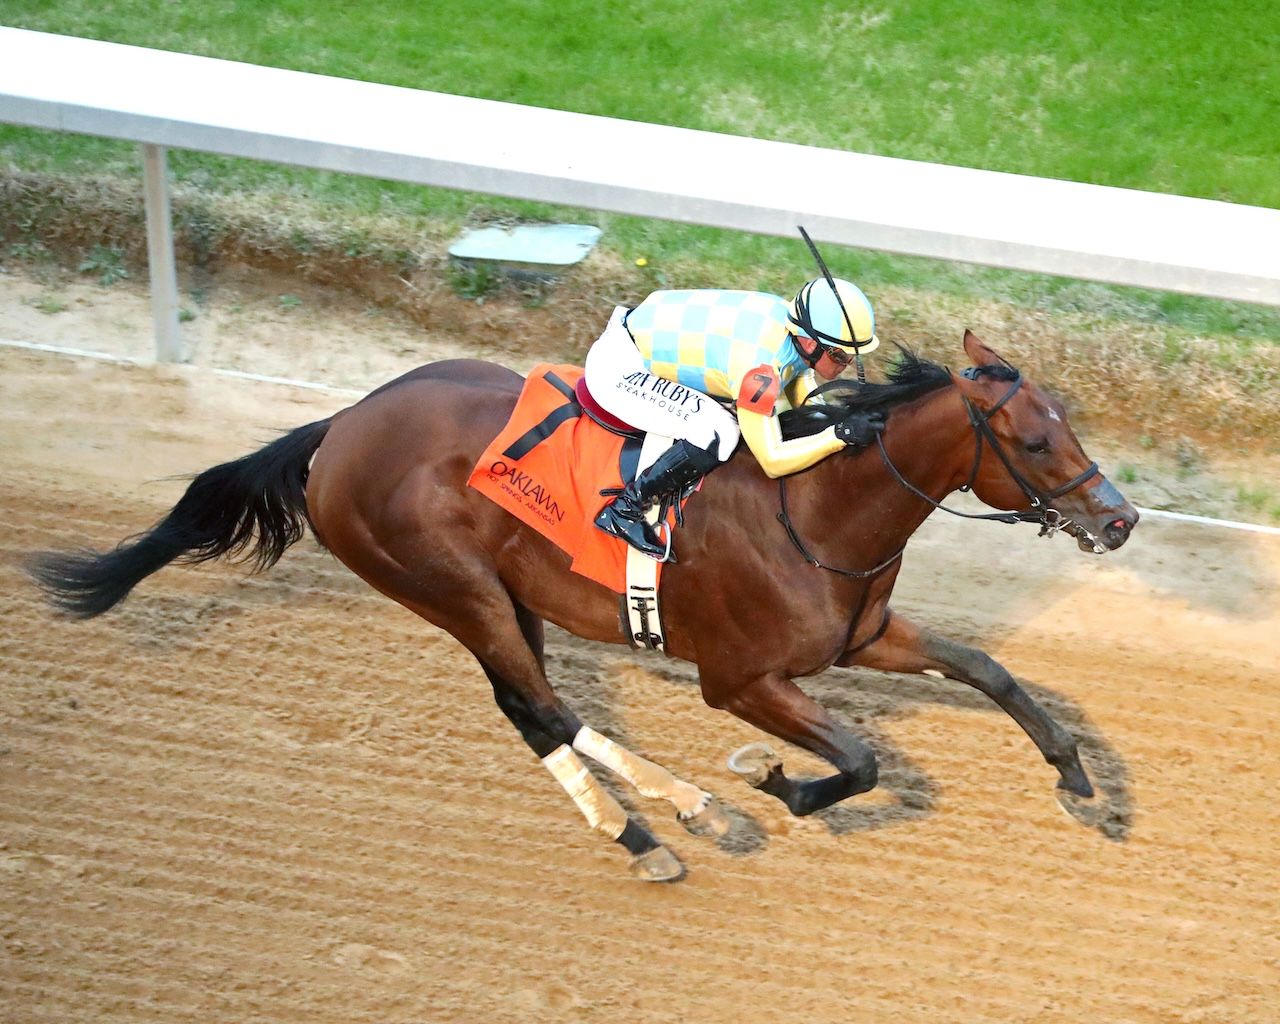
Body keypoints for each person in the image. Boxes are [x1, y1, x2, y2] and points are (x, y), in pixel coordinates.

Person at [584, 277, 885, 558]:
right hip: (619, 368)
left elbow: (799, 375)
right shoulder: (759, 368)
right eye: (839, 356)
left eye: (852, 357)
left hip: (639, 332)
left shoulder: (790, 325)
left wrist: (826, 417)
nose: (846, 364)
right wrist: (837, 435)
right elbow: (772, 460)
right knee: (721, 432)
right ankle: (625, 510)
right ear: (810, 342)